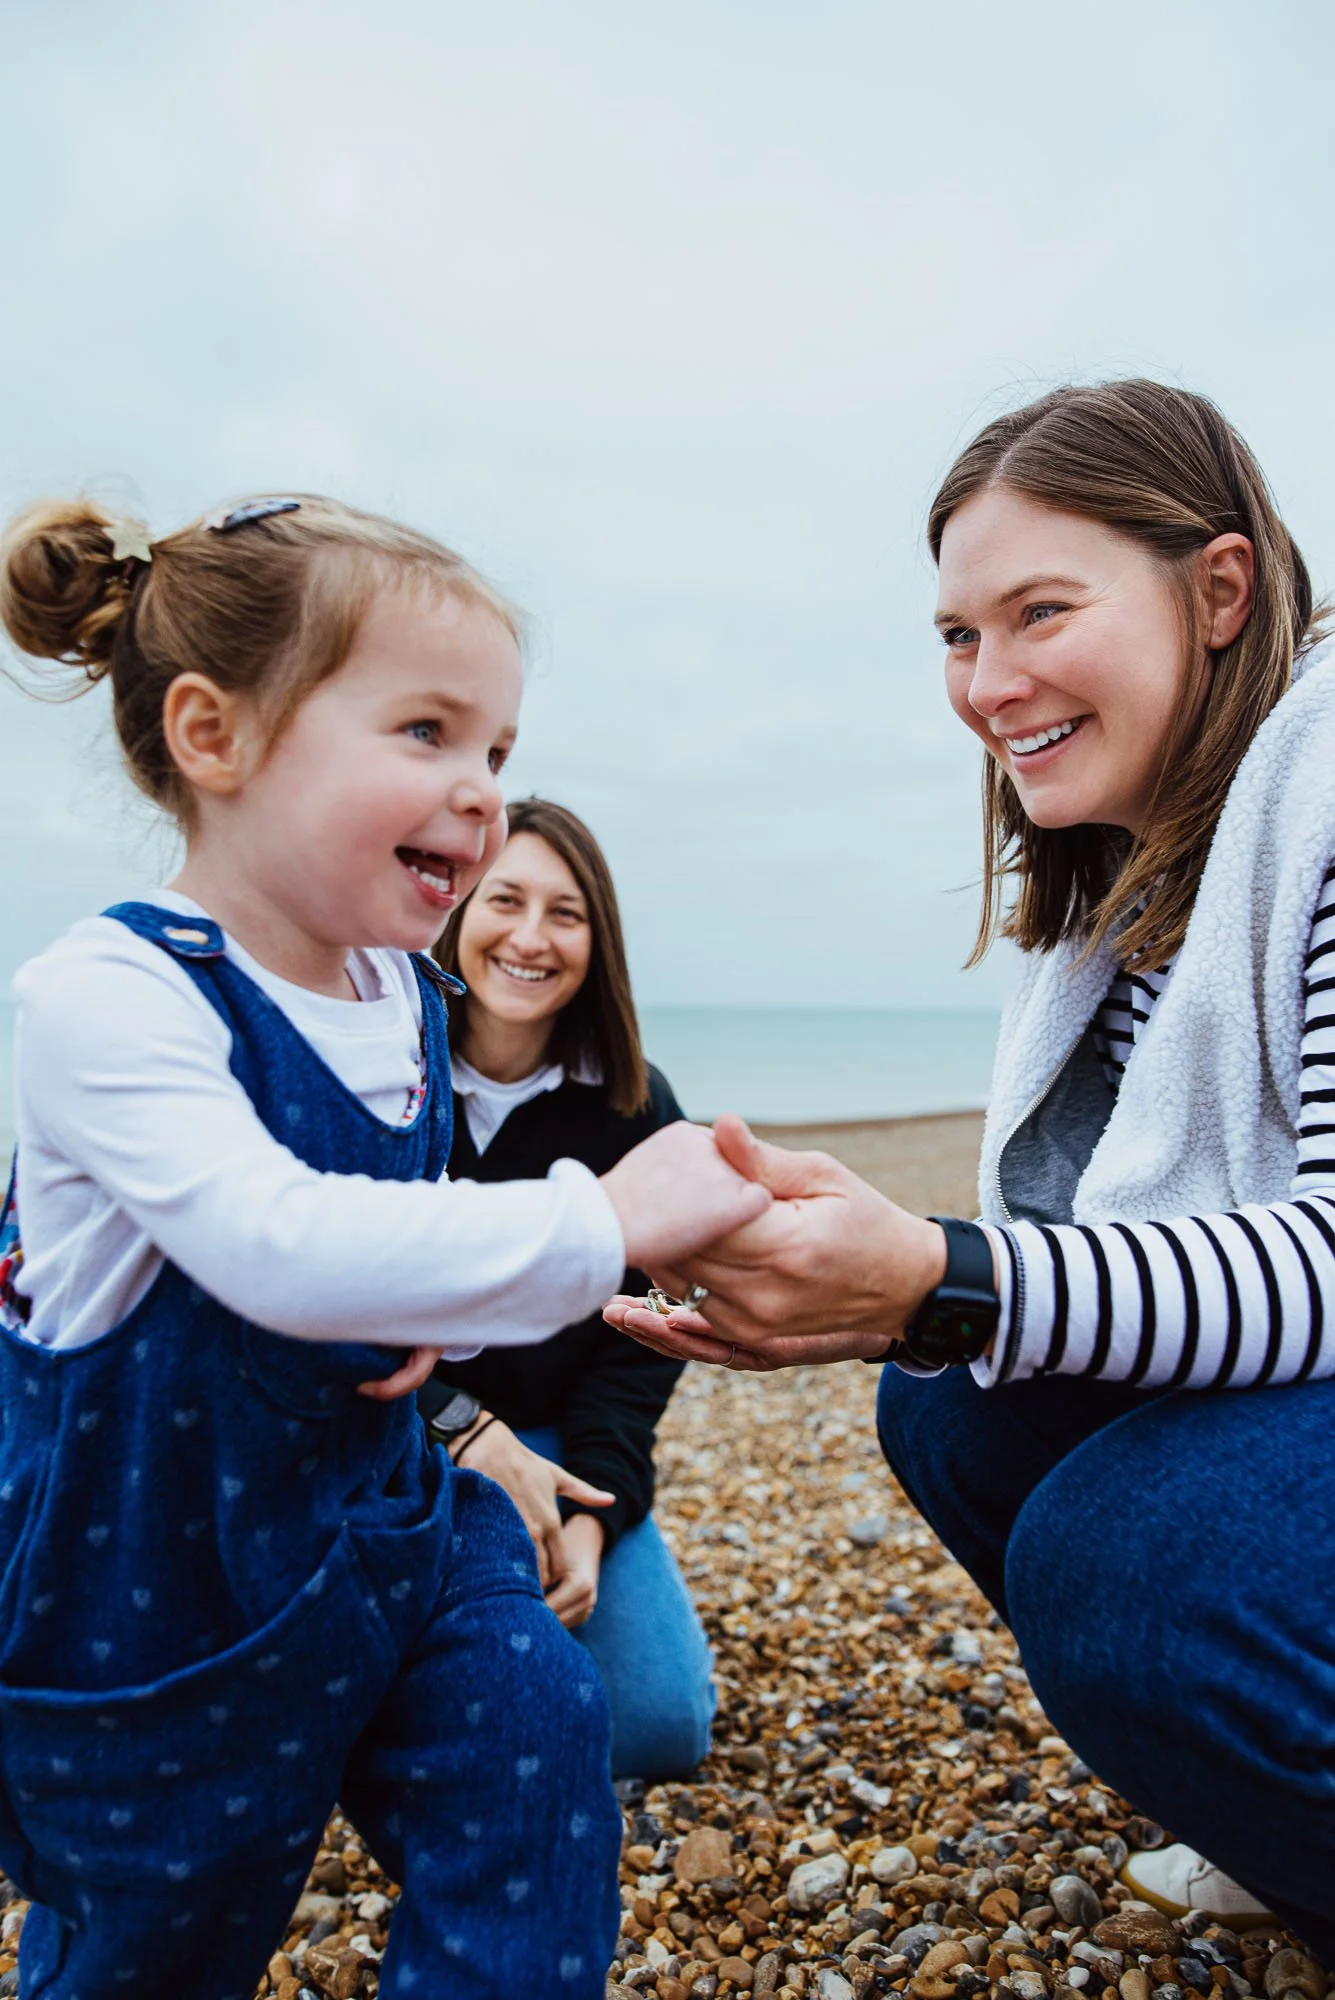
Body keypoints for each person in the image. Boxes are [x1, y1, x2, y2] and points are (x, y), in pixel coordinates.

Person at [0, 492, 769, 2000]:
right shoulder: (107, 995)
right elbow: (270, 1243)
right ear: (213, 738)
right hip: (163, 1590)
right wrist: (607, 1222)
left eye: (495, 749)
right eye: (424, 732)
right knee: (159, 1938)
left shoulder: (397, 991)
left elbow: (385, 1275)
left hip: (394, 1530)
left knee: (538, 1752)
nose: (479, 792)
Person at [607, 382, 1335, 1952]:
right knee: (952, 1393)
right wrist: (897, 1291)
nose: (985, 683)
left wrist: (945, 1273)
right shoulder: (1136, 884)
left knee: (1125, 1568)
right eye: (954, 635)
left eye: (1038, 613)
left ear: (1216, 592)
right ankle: (1269, 1806)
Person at [417, 796, 715, 1779]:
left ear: (600, 940)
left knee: (661, 1725)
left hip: (549, 1442)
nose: (531, 938)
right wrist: (458, 1422)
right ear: (459, 905)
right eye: (507, 898)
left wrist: (595, 1514)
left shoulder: (637, 1106)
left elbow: (640, 1348)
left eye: (567, 912)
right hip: (370, 1431)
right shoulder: (383, 1069)